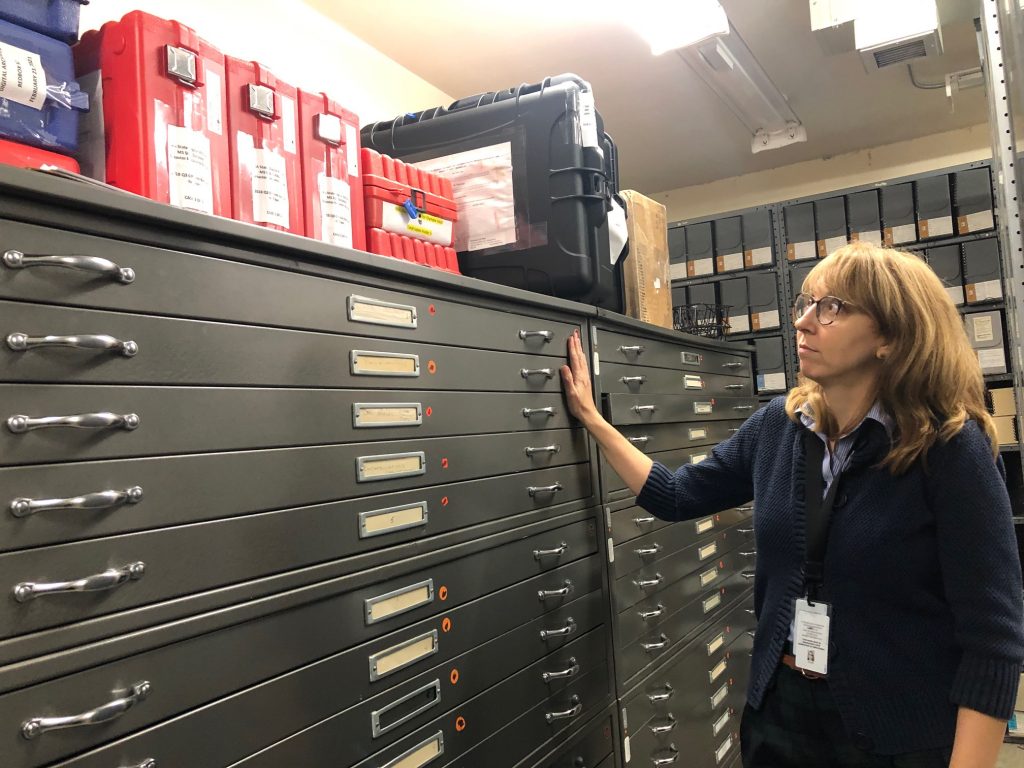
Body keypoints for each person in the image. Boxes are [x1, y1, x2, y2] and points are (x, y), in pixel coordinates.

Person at [561, 242, 1024, 768]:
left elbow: (993, 640)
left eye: (833, 308)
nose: (804, 322)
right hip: (779, 715)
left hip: (899, 732)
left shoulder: (948, 449)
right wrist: (595, 422)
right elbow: (676, 495)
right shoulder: (777, 428)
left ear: (891, 338)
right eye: (806, 303)